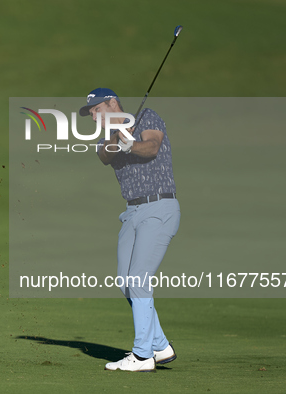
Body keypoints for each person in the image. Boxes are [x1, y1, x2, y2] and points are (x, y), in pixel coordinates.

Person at [79, 87, 180, 372]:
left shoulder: (148, 117)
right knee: (126, 282)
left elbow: (151, 147)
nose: (95, 116)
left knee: (138, 279)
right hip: (132, 213)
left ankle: (142, 355)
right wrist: (120, 136)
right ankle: (160, 347)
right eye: (91, 113)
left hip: (159, 208)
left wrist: (131, 142)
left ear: (113, 103)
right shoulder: (106, 138)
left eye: (98, 109)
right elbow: (104, 155)